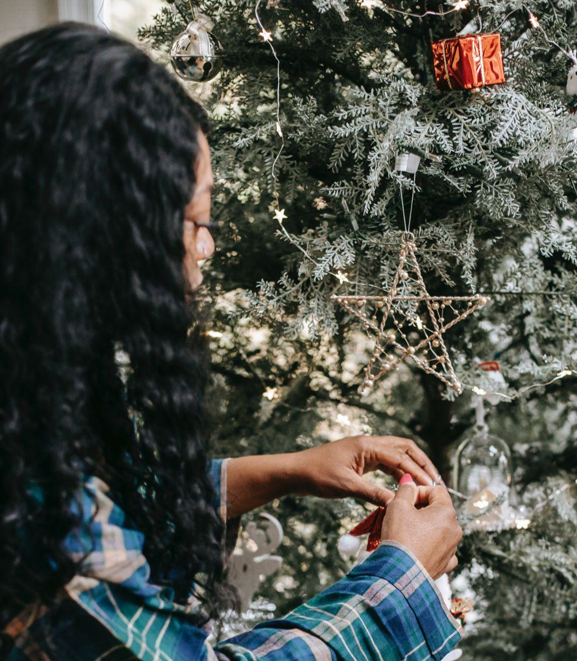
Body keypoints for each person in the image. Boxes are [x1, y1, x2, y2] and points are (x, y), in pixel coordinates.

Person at [0, 23, 463, 661]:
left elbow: (108, 500)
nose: (207, 246)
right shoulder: (50, 550)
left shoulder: (28, 398)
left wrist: (279, 472)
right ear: (83, 235)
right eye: (195, 220)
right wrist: (401, 580)